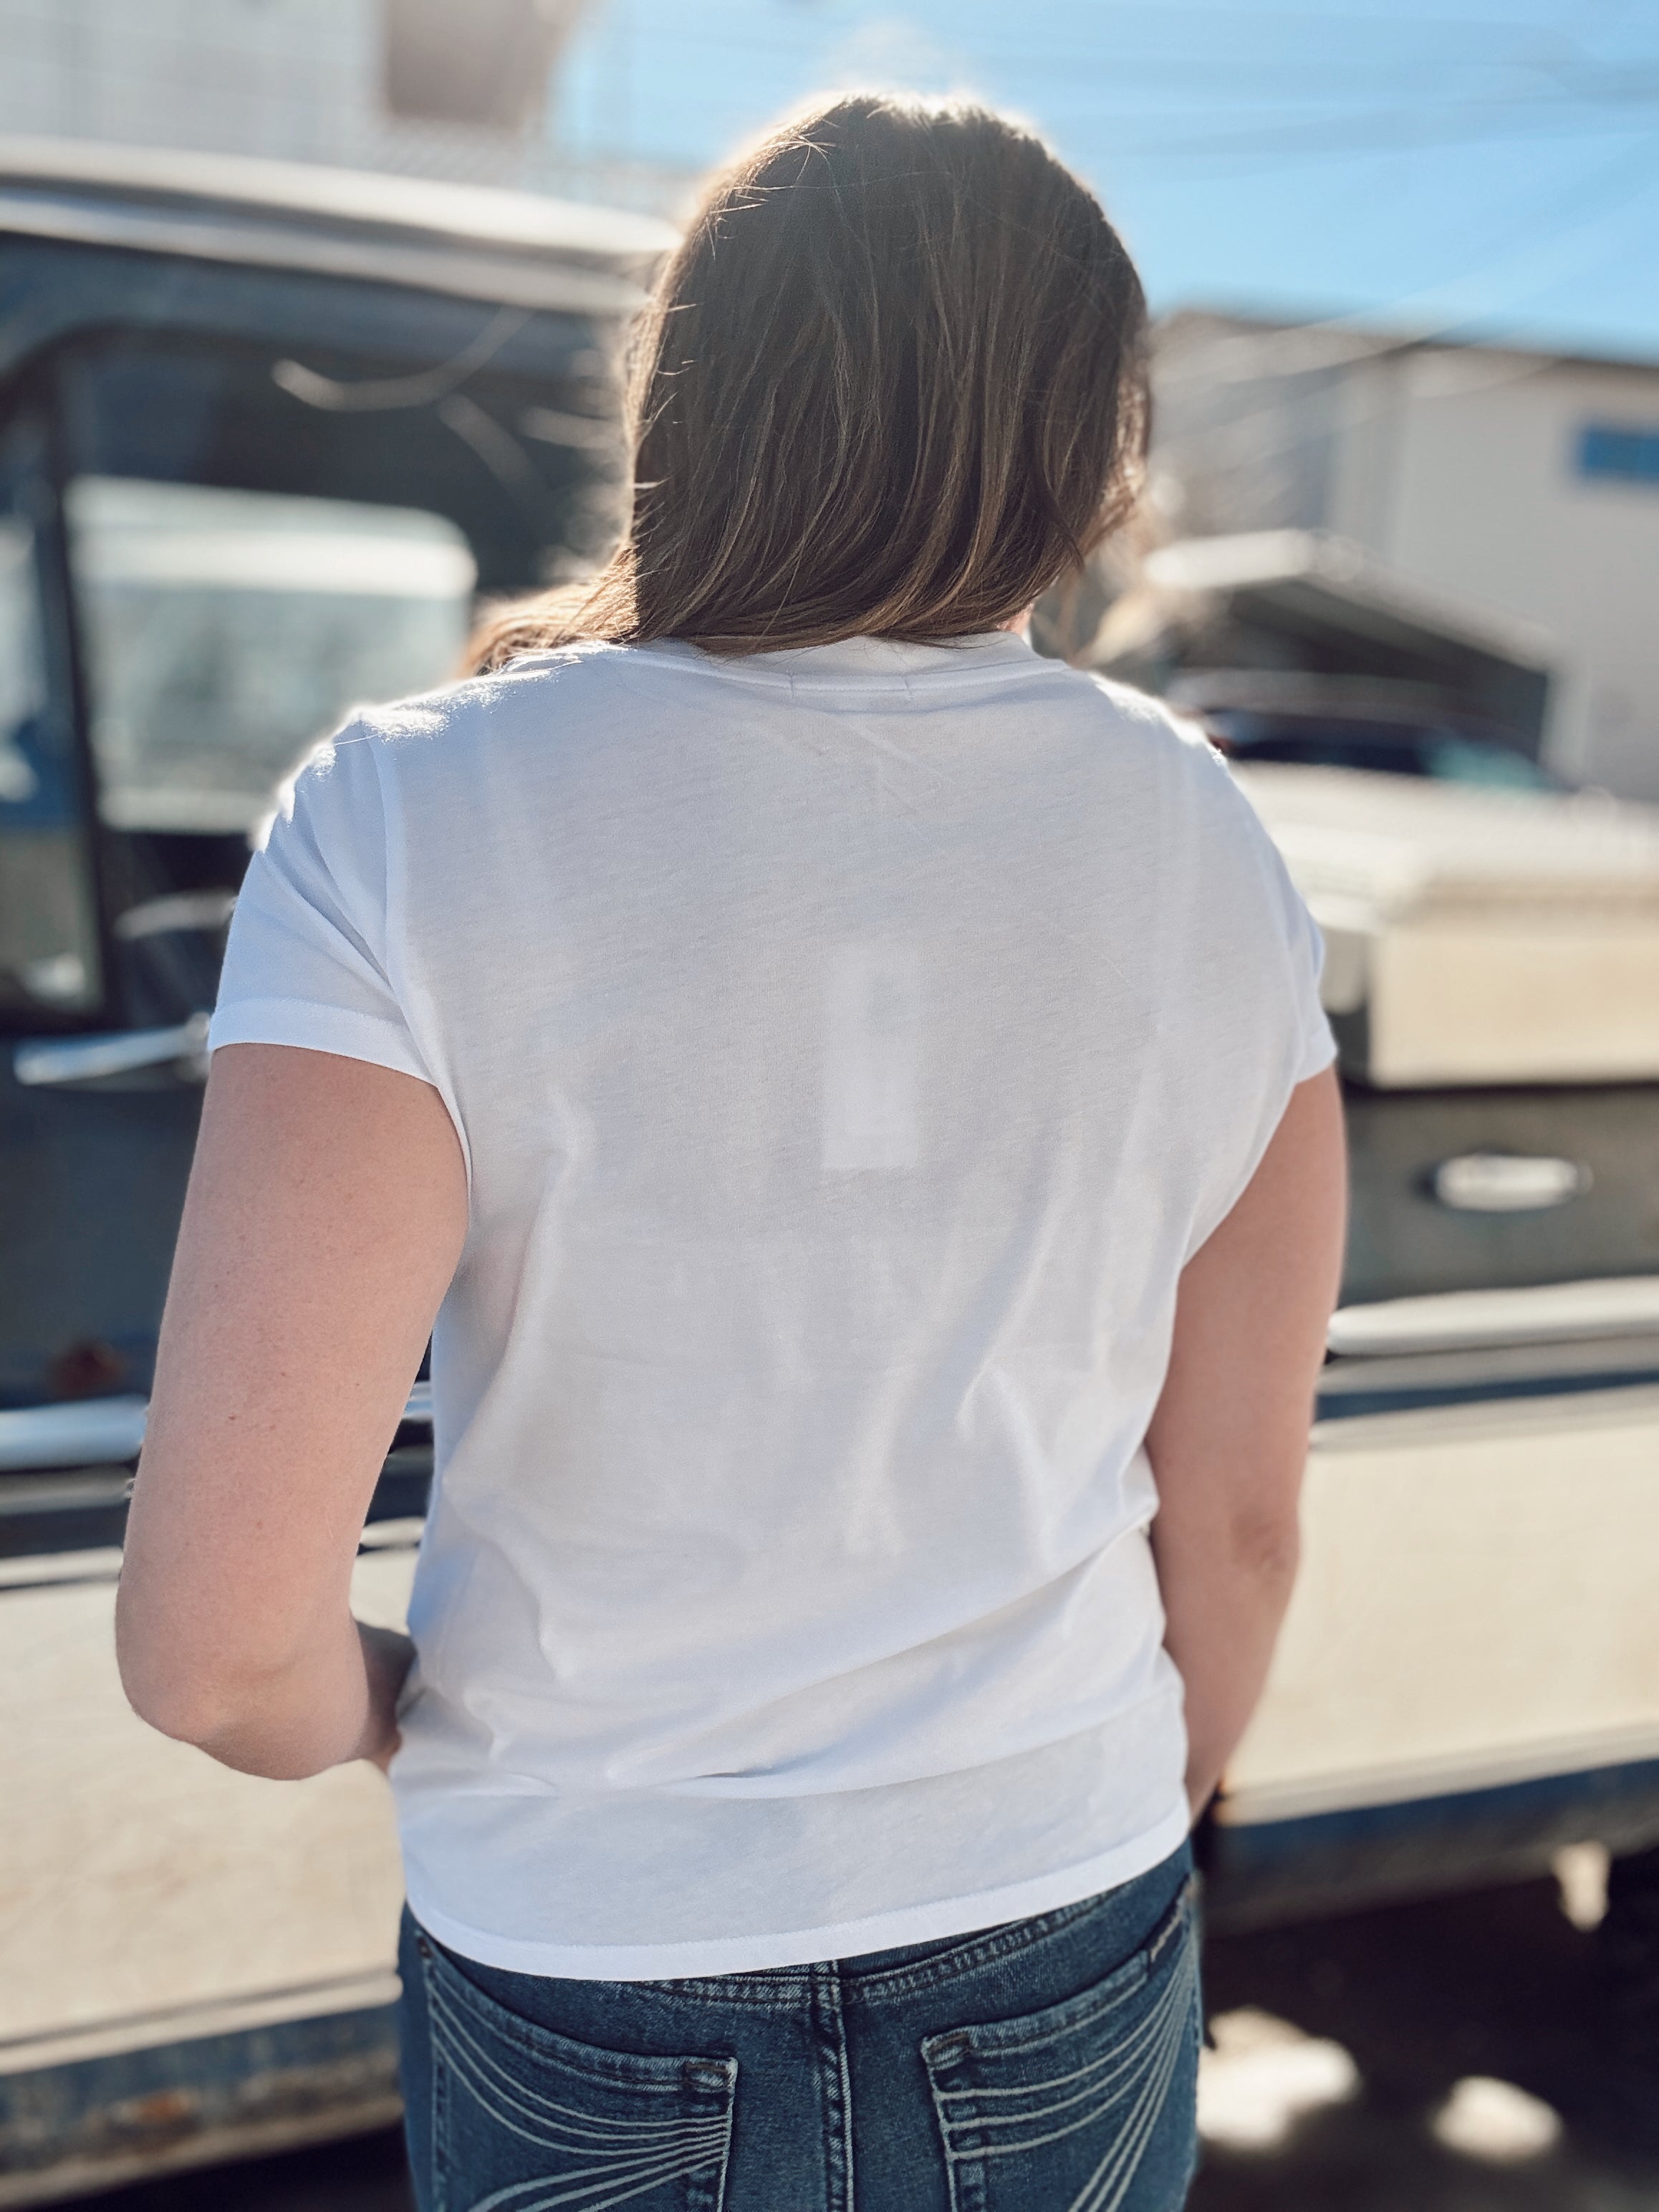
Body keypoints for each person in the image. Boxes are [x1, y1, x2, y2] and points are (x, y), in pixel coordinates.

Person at [116, 93, 1346, 2212]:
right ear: (1087, 442)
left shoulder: (411, 814)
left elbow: (218, 1652)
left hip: (587, 1941)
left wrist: (403, 1706)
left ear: (691, 393)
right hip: (1057, 1903)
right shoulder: (1201, 842)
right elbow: (1232, 1527)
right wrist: (1126, 1806)